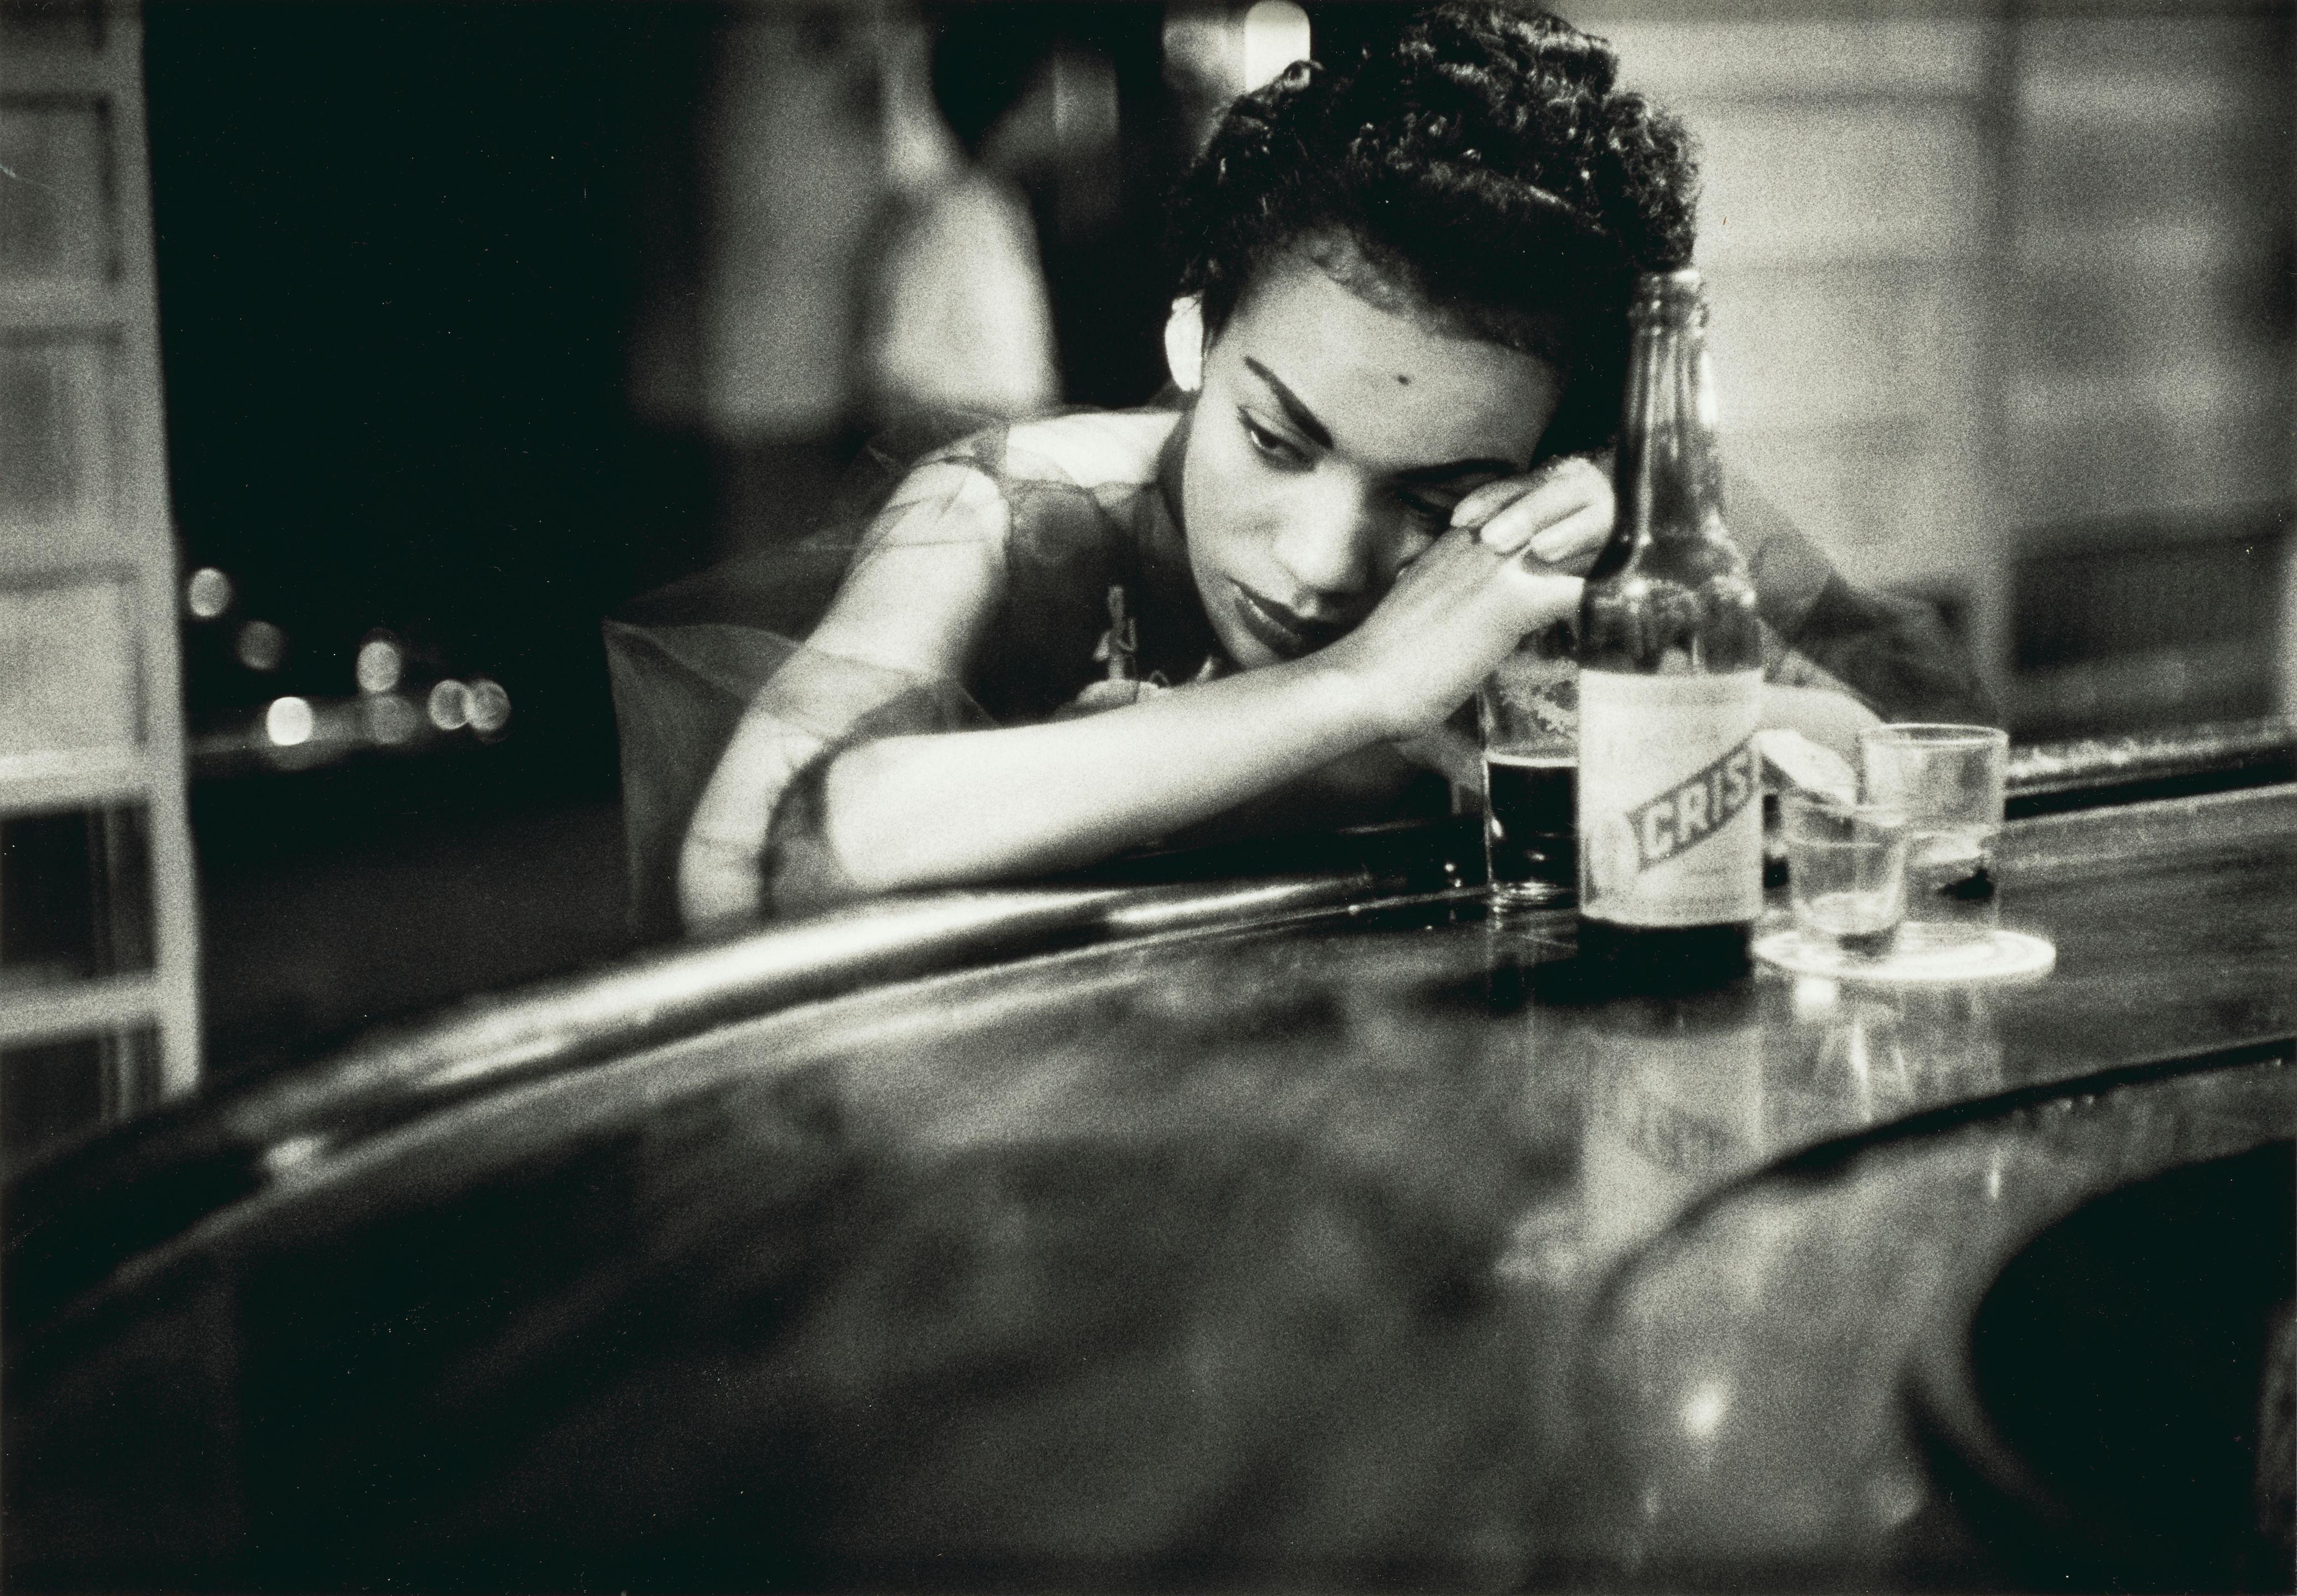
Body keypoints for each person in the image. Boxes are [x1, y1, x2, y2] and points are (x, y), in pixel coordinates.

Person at [607, 1, 1988, 935]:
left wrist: (1613, 674)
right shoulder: (1012, 510)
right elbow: (755, 869)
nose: (1321, 559)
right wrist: (1355, 689)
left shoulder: (1548, 551)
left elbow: (1901, 779)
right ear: (1192, 339)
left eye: (1434, 500)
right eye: (1274, 440)